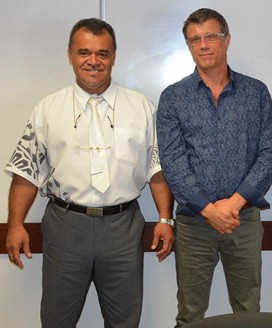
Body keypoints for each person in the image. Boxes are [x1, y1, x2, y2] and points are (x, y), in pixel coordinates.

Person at [4, 18, 174, 327]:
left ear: (114, 56)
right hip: (65, 226)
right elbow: (26, 171)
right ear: (70, 54)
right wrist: (16, 224)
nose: (93, 61)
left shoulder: (142, 107)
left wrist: (165, 218)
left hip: (123, 228)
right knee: (57, 320)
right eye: (84, 53)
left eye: (102, 53)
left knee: (125, 321)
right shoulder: (47, 109)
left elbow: (157, 169)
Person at [156, 8, 272, 327]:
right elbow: (173, 162)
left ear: (226, 40)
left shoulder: (256, 93)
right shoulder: (173, 98)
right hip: (194, 224)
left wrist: (234, 204)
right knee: (190, 315)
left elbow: (268, 153)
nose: (204, 44)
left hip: (244, 219)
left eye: (211, 36)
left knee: (249, 311)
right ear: (188, 45)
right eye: (195, 39)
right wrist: (209, 210)